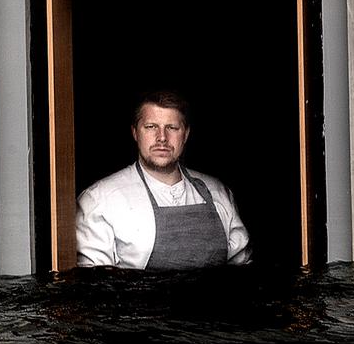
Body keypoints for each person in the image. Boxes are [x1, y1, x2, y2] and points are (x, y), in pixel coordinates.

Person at [76, 90, 252, 269]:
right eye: (151, 127)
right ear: (135, 133)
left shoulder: (219, 193)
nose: (162, 138)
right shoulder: (99, 200)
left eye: (172, 128)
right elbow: (95, 288)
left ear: (186, 134)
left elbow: (241, 273)